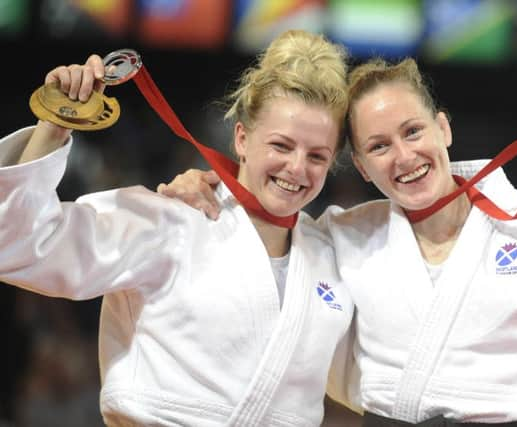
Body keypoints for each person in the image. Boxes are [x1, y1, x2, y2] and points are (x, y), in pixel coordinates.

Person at [158, 57, 517, 426]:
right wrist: (209, 191)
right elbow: (263, 228)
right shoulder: (341, 237)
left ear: (443, 128)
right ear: (363, 168)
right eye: (379, 146)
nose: (404, 156)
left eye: (412, 131)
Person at [0, 29, 357, 427]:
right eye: (281, 146)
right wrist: (54, 124)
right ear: (241, 138)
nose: (296, 168)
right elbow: (18, 244)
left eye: (317, 156)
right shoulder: (171, 219)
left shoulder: (334, 255)